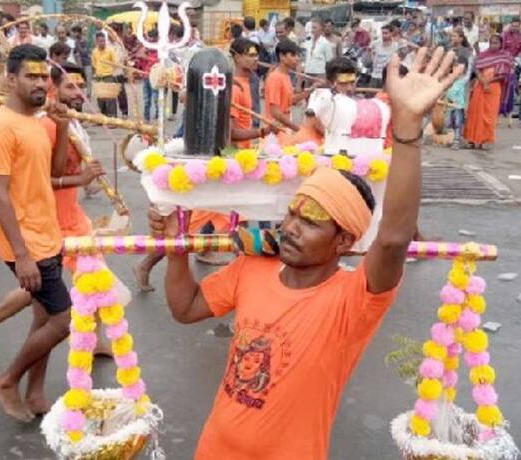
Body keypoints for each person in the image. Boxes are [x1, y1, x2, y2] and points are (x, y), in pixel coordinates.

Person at [148, 46, 463, 460]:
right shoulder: (253, 270)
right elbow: (185, 308)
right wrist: (175, 250)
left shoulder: (352, 301)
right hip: (213, 448)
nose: (292, 228)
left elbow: (392, 239)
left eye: (312, 221)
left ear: (344, 242)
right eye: (292, 214)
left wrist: (406, 128)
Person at [0, 62, 114, 363]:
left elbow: (58, 168)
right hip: (49, 219)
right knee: (42, 297)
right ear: (55, 89)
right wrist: (82, 179)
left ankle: (93, 341)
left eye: (81, 85)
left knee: (92, 281)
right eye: (69, 86)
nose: (79, 92)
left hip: (71, 215)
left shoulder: (63, 121)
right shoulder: (41, 124)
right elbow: (42, 179)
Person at [0, 45, 73, 422]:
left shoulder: (35, 120)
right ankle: (7, 380)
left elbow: (53, 172)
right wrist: (22, 255)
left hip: (48, 233)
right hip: (28, 244)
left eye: (44, 77)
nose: (40, 84)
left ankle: (35, 392)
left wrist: (63, 126)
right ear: (11, 79)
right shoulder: (0, 125)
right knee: (64, 320)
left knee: (43, 319)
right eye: (31, 77)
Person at [464, 34, 513, 150]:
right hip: (480, 86)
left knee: (489, 115)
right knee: (474, 112)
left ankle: (482, 140)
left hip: (493, 88)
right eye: (491, 43)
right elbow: (477, 69)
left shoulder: (504, 57)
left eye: (496, 43)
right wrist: (482, 81)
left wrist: (488, 81)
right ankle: (471, 139)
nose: (493, 45)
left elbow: (503, 75)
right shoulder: (483, 55)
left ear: (501, 44)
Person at [230, 38, 274, 148]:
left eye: (256, 55)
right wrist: (262, 131)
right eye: (251, 55)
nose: (256, 59)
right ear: (237, 58)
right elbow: (231, 132)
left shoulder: (248, 81)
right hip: (235, 154)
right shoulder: (235, 88)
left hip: (245, 151)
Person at [266, 39, 312, 139]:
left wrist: (310, 91)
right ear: (282, 56)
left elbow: (289, 101)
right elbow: (275, 112)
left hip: (284, 129)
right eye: (293, 55)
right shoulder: (275, 78)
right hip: (276, 131)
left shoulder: (285, 76)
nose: (297, 59)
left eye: (298, 55)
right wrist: (298, 129)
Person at [91, 32, 118, 117]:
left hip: (108, 76)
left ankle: (113, 118)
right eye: (100, 41)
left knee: (110, 98)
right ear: (96, 42)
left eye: (104, 41)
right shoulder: (94, 51)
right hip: (99, 77)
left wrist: (109, 71)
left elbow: (115, 63)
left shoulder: (110, 50)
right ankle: (103, 117)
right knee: (100, 98)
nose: (102, 43)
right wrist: (98, 72)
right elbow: (94, 63)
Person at [136, 29, 159, 121]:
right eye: (150, 39)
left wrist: (146, 57)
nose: (151, 40)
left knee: (156, 99)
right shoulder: (147, 48)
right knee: (146, 99)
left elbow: (157, 61)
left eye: (153, 38)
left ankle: (158, 117)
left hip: (156, 77)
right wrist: (145, 48)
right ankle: (146, 118)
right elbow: (138, 55)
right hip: (146, 76)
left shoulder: (160, 48)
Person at [446, 58, 469, 150]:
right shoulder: (450, 78)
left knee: (458, 123)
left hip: (458, 106)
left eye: (459, 67)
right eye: (455, 66)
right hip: (449, 106)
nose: (457, 68)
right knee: (450, 123)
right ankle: (454, 139)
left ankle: (457, 141)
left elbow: (465, 93)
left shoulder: (463, 80)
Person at [302, 18, 333, 82]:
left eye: (314, 28)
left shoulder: (325, 43)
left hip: (319, 75)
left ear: (321, 29)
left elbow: (329, 61)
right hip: (307, 73)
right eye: (312, 27)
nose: (312, 30)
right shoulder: (308, 42)